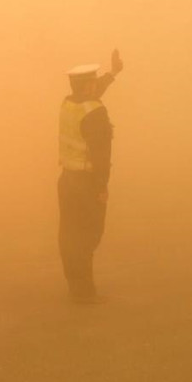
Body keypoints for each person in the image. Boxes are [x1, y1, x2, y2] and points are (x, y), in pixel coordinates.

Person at [57, 50, 123, 303]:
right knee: (89, 234)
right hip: (86, 183)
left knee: (69, 235)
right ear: (87, 86)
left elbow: (92, 96)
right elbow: (101, 155)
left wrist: (113, 73)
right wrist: (102, 187)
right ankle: (85, 294)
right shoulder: (95, 112)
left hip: (67, 180)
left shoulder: (69, 103)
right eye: (93, 81)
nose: (96, 84)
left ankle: (77, 287)